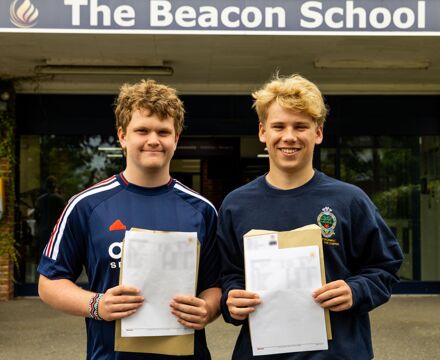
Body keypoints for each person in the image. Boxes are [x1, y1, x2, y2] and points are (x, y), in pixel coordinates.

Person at [217, 74, 404, 359]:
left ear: (317, 132)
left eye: (300, 126)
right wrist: (231, 299)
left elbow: (385, 267)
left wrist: (356, 290)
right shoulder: (236, 205)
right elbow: (228, 275)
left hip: (338, 353)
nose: (289, 136)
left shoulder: (350, 200)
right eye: (278, 126)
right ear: (262, 132)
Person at [38, 79, 221, 360]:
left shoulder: (202, 210)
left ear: (176, 138)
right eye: (142, 130)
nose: (153, 140)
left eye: (163, 131)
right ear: (123, 136)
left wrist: (207, 309)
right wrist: (96, 304)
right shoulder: (86, 205)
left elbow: (215, 284)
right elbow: (49, 282)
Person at [34, 176, 65, 261]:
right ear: (55, 186)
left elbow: (36, 216)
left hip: (43, 229)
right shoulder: (60, 199)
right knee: (55, 255)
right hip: (56, 231)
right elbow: (64, 216)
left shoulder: (40, 200)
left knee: (43, 254)